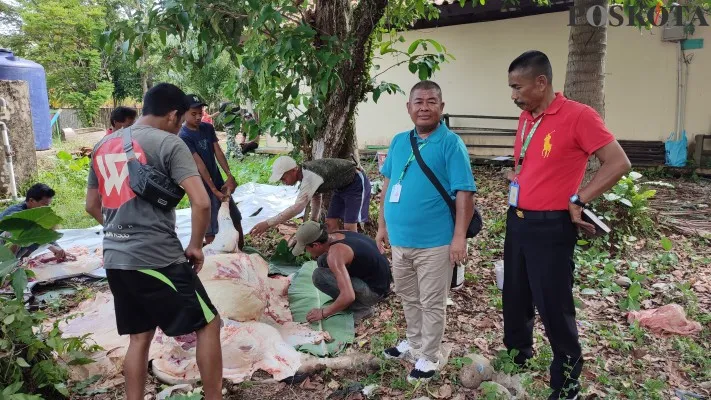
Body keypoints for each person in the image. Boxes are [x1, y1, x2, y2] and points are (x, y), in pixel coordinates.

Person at [503, 50, 631, 400]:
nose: (513, 95)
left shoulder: (579, 116)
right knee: (515, 294)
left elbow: (618, 162)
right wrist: (517, 176)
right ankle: (517, 354)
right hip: (518, 220)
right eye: (511, 87)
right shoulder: (528, 116)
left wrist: (580, 198)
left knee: (553, 304)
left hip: (551, 226)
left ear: (541, 82)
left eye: (518, 87)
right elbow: (539, 162)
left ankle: (567, 381)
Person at [84, 83, 223, 400]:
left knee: (139, 337)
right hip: (157, 258)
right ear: (174, 115)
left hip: (116, 259)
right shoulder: (170, 145)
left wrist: (122, 232)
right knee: (209, 325)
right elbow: (200, 202)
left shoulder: (103, 145)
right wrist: (196, 245)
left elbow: (92, 206)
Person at [376, 80, 476, 383]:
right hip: (400, 240)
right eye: (418, 101)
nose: (424, 107)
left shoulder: (450, 143)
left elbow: (464, 193)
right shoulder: (398, 141)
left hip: (435, 242)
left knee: (432, 301)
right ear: (409, 108)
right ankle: (415, 342)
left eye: (431, 101)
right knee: (408, 295)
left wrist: (459, 237)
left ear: (441, 108)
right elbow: (388, 185)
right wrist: (381, 225)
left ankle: (430, 355)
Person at [291, 221, 392, 325]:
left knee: (319, 276)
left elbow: (348, 296)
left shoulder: (336, 254)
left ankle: (361, 309)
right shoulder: (337, 234)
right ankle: (351, 300)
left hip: (375, 292)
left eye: (306, 248)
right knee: (322, 260)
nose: (306, 252)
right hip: (381, 280)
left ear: (316, 245)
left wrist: (323, 313)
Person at [180, 94, 244, 249]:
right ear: (183, 113)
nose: (198, 117)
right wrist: (213, 190)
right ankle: (214, 258)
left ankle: (240, 251)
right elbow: (199, 164)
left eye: (200, 113)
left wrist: (229, 175)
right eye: (193, 114)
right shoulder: (183, 135)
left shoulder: (207, 128)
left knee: (234, 217)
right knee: (210, 225)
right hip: (200, 186)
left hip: (217, 180)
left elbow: (218, 152)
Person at [250, 155, 372, 235]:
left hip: (355, 182)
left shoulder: (309, 176)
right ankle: (335, 250)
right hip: (340, 188)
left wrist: (268, 223)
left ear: (294, 170)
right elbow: (316, 196)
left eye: (284, 177)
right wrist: (313, 221)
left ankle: (356, 254)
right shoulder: (304, 174)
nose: (283, 182)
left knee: (350, 226)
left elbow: (298, 208)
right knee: (330, 223)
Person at [0, 183, 68, 260]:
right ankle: (9, 262)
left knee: (37, 231)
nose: (46, 208)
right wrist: (51, 247)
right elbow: (31, 236)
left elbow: (45, 234)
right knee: (23, 233)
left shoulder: (34, 212)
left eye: (48, 205)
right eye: (44, 204)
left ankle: (22, 260)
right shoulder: (15, 213)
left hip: (12, 248)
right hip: (2, 247)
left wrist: (58, 249)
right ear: (31, 200)